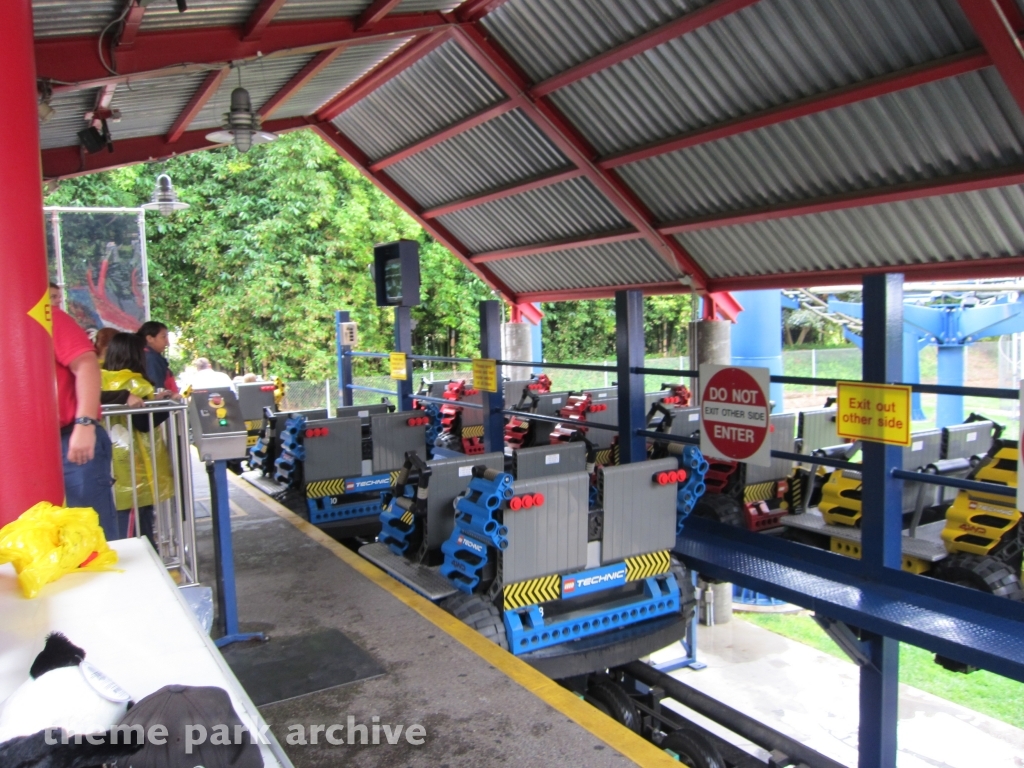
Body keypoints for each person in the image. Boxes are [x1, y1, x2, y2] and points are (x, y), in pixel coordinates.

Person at [52, 302, 118, 541]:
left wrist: (84, 423)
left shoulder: (46, 317)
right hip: (25, 447)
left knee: (90, 532)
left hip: (69, 437)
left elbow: (86, 364)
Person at [102, 333, 175, 548]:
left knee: (120, 529)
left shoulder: (101, 377)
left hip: (112, 469)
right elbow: (143, 423)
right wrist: (166, 406)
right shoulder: (135, 383)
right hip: (136, 472)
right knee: (138, 534)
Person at [138, 320, 178, 395]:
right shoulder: (151, 359)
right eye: (164, 337)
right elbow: (157, 391)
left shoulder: (148, 356)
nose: (167, 342)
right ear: (150, 338)